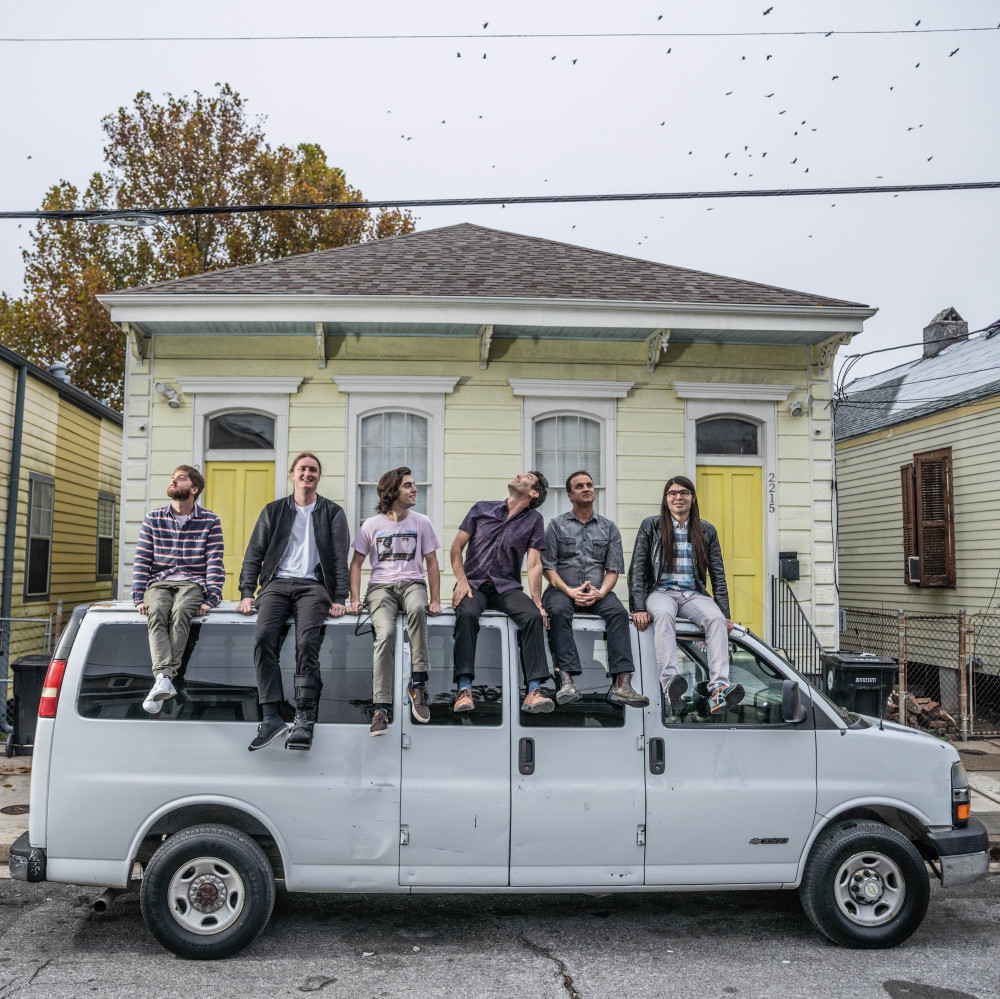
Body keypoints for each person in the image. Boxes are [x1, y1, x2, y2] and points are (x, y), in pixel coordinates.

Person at [238, 452, 350, 752]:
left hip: (313, 586)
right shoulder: (274, 511)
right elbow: (254, 552)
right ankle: (271, 716)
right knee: (263, 638)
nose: (307, 474)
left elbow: (340, 558)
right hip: (276, 584)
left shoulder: (333, 513)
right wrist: (247, 591)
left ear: (318, 476)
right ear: (292, 474)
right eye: (302, 469)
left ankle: (303, 718)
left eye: (313, 470)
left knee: (306, 642)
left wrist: (340, 597)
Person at [627, 476, 744, 715]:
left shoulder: (705, 529)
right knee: (664, 614)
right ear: (666, 499)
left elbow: (718, 575)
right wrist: (638, 606)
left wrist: (725, 614)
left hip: (693, 594)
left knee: (715, 619)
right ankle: (671, 682)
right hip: (660, 592)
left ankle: (719, 689)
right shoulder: (651, 525)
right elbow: (637, 569)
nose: (678, 497)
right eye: (672, 493)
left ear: (692, 497)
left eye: (684, 492)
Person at [347, 467, 442, 737]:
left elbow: (432, 563)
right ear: (393, 491)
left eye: (414, 485)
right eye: (408, 486)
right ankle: (381, 707)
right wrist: (355, 598)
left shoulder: (421, 522)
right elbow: (356, 563)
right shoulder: (372, 525)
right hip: (380, 588)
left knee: (416, 609)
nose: (415, 489)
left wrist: (435, 599)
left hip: (413, 583)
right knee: (385, 633)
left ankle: (419, 684)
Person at [541, 470, 648, 708]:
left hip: (599, 592)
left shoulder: (609, 528)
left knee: (619, 614)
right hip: (562, 590)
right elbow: (548, 568)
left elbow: (613, 570)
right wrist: (569, 592)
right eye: (579, 486)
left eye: (589, 485)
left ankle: (622, 684)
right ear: (570, 495)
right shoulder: (556, 526)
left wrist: (601, 592)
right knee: (558, 612)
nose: (586, 488)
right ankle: (567, 681)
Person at [450, 472, 553, 714]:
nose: (518, 475)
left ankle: (533, 691)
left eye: (526, 476)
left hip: (505, 586)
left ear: (533, 493)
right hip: (473, 583)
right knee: (466, 614)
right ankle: (464, 689)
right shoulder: (481, 509)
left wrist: (537, 601)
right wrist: (461, 581)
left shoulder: (534, 520)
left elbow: (534, 563)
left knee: (532, 617)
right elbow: (456, 548)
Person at [132, 466, 225, 715]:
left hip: (193, 582)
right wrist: (138, 595)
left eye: (180, 478)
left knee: (182, 610)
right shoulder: (154, 518)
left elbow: (214, 561)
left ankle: (163, 678)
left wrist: (212, 597)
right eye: (172, 477)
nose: (173, 480)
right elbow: (142, 559)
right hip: (158, 582)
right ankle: (165, 677)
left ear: (194, 489)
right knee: (158, 610)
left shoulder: (210, 520)